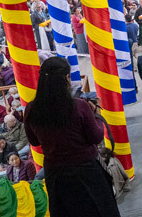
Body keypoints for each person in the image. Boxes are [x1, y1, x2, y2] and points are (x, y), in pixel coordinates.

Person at [24, 57, 120, 217]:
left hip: (55, 174)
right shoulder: (79, 106)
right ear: (65, 79)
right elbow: (96, 137)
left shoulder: (32, 109)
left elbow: (34, 141)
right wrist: (96, 115)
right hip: (85, 172)